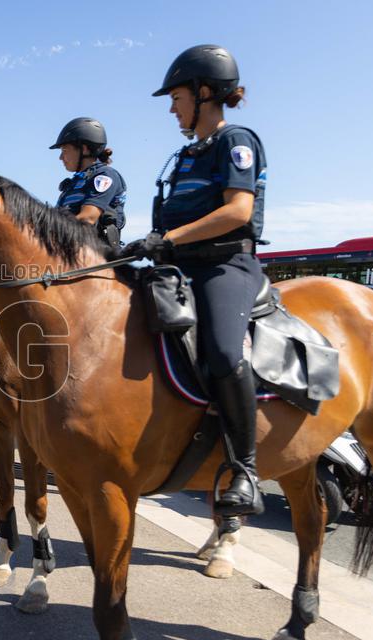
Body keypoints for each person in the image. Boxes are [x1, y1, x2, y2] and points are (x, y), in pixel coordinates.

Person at [123, 44, 268, 517]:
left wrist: (168, 238)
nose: (172, 107)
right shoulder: (185, 156)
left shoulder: (236, 140)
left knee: (225, 352)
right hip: (179, 266)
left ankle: (244, 469)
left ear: (205, 93)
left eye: (177, 97)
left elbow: (237, 210)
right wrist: (143, 245)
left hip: (225, 266)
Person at [50, 117, 127, 250]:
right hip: (70, 253)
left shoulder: (104, 176)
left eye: (64, 151)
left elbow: (88, 218)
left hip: (97, 258)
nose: (61, 157)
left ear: (84, 149)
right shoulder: (72, 184)